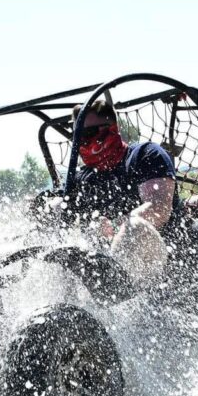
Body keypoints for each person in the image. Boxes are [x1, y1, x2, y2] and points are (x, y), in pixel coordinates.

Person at [66, 99, 179, 283]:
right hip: (108, 266)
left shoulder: (145, 155)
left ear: (112, 129)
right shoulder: (83, 177)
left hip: (166, 261)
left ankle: (119, 295)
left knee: (133, 226)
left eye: (89, 134)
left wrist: (114, 226)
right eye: (78, 137)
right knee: (65, 245)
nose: (84, 142)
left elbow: (160, 208)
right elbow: (63, 210)